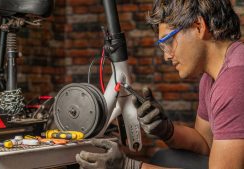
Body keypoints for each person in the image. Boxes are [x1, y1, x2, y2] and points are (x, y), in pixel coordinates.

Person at [75, 0, 244, 168]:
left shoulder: (234, 81)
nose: (167, 56)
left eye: (169, 41)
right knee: (164, 158)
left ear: (198, 26)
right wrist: (166, 129)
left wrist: (129, 166)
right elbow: (205, 145)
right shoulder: (211, 78)